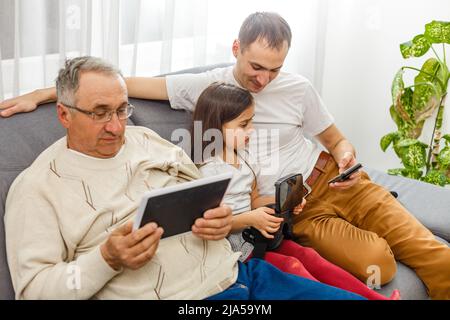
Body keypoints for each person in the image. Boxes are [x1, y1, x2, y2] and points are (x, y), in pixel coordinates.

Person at [2, 12, 449, 299]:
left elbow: (333, 139)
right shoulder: (206, 91)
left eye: (122, 111)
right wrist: (42, 92)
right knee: (380, 263)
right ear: (236, 50)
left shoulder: (153, 143)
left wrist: (347, 158)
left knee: (430, 252)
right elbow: (136, 84)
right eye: (256, 67)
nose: (264, 80)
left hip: (322, 187)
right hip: (277, 227)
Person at [4, 56, 365, 300]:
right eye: (100, 114)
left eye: (121, 110)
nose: (117, 127)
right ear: (64, 115)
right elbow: (34, 289)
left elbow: (202, 196)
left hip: (240, 275)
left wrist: (220, 219)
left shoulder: (145, 140)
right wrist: (106, 258)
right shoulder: (37, 188)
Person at [194, 82, 399, 300]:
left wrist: (286, 201)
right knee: (292, 265)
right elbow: (210, 225)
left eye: (251, 121)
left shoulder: (245, 156)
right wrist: (250, 219)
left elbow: (254, 200)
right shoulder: (209, 171)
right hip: (237, 253)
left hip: (261, 238)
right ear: (217, 127)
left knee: (310, 257)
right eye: (244, 124)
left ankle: (378, 298)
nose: (251, 130)